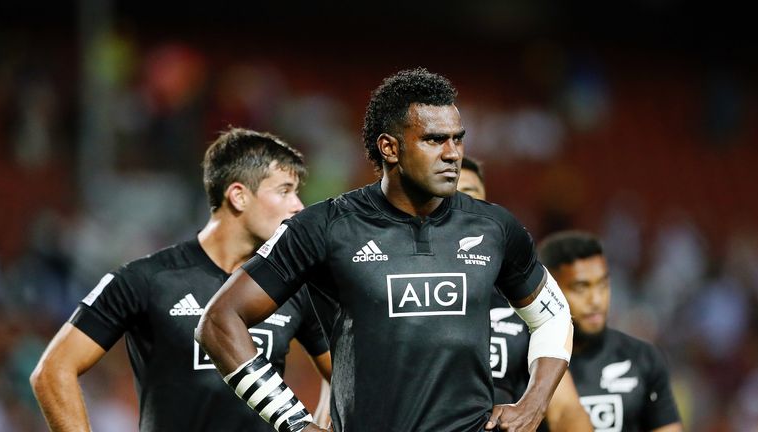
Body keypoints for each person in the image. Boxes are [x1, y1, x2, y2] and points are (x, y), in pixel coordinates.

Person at [196, 67, 574, 432]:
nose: (452, 154)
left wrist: (534, 403)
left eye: (457, 139)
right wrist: (293, 421)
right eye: (434, 140)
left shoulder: (494, 227)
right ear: (390, 148)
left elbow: (553, 316)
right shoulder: (326, 227)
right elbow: (219, 321)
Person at [30, 128, 332, 431]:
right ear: (239, 196)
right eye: (284, 191)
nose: (298, 205)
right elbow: (53, 370)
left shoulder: (295, 288)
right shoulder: (146, 279)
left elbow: (343, 374)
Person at [457, 157, 593, 432]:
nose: (459, 205)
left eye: (470, 195)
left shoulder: (523, 306)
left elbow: (565, 411)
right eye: (449, 195)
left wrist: (532, 407)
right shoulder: (395, 290)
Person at [537, 231, 683, 432]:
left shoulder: (643, 359)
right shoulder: (528, 360)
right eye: (581, 288)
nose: (596, 300)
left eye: (603, 285)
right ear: (548, 291)